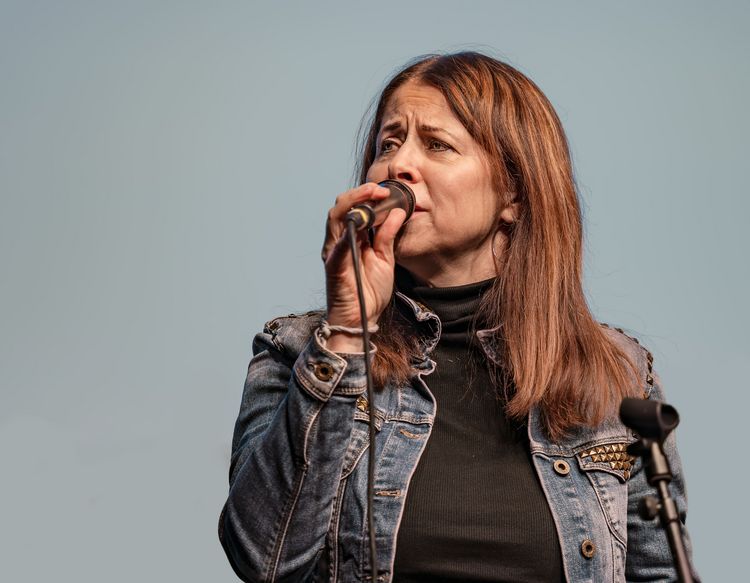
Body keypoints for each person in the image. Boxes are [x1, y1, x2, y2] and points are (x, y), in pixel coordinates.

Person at [218, 52, 697, 582]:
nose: (398, 165)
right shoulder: (298, 352)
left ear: (514, 193)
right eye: (388, 143)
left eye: (437, 145)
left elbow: (660, 571)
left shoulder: (614, 375)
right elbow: (264, 560)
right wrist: (348, 330)